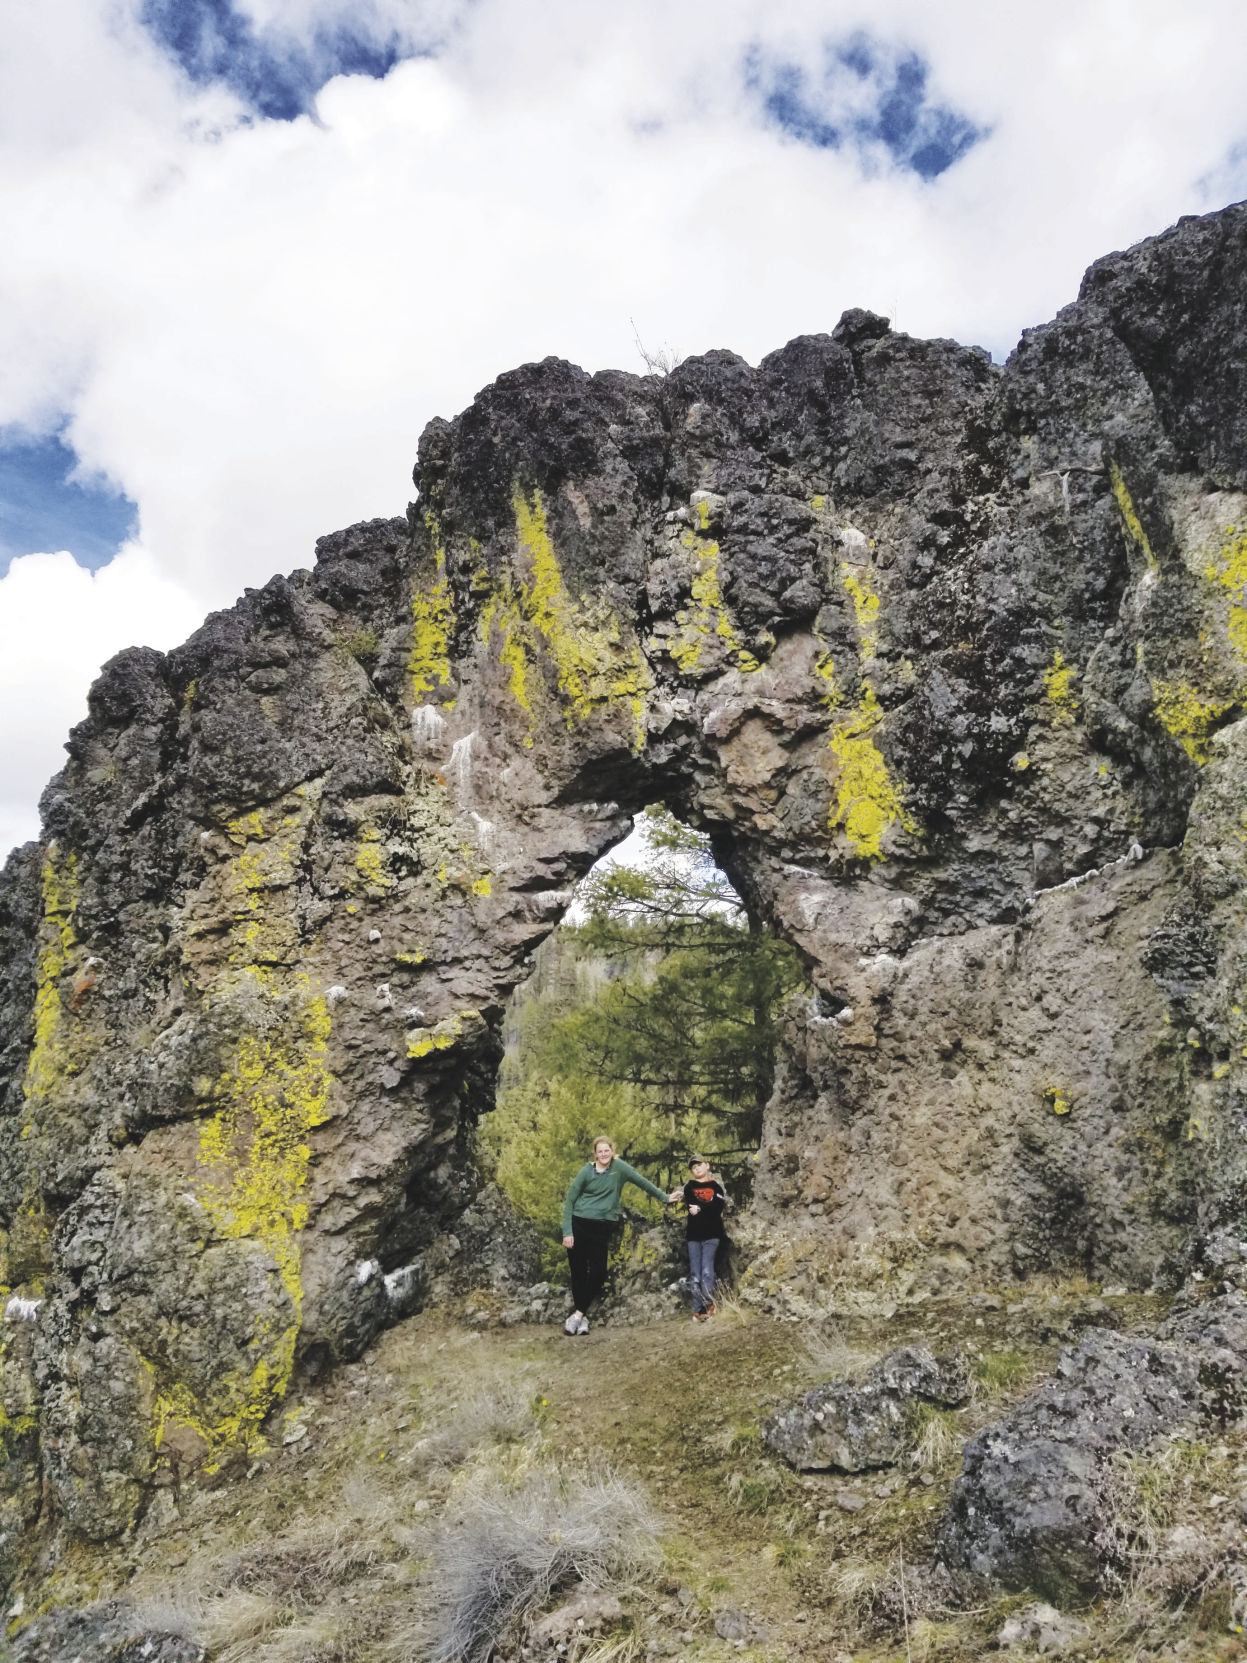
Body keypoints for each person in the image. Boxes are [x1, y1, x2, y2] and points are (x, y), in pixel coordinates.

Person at [561, 1137, 680, 1334]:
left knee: (598, 1273)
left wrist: (665, 1198)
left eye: (606, 1150)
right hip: (578, 1223)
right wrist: (567, 1232)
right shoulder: (586, 1171)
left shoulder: (620, 1168)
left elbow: (642, 1182)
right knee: (578, 1273)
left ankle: (578, 1314)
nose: (603, 1154)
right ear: (595, 1154)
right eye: (600, 1151)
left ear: (612, 1151)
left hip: (601, 1227)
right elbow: (570, 1200)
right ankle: (582, 1320)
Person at [682, 1154, 727, 1321]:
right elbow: (691, 1204)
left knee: (707, 1270)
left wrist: (701, 1208)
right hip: (694, 1236)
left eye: (699, 1165)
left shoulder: (716, 1187)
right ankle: (697, 1308)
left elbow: (718, 1207)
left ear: (707, 1166)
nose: (697, 1168)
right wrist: (706, 1206)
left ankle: (709, 1304)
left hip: (713, 1235)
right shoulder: (689, 1187)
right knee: (695, 1273)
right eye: (693, 1167)